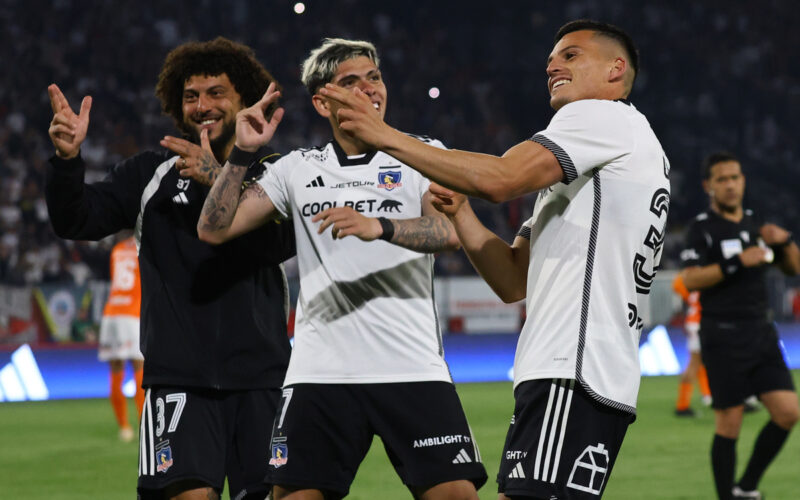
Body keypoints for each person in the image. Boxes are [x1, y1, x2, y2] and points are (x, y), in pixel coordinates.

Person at [318, 19, 668, 500]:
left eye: (570, 55)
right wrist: (461, 213)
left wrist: (385, 136)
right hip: (574, 366)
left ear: (615, 70)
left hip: (574, 364)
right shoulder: (595, 165)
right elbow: (512, 281)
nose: (552, 65)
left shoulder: (602, 117)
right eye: (551, 58)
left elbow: (502, 178)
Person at [197, 38, 487, 499]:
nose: (368, 89)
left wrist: (380, 226)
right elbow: (214, 228)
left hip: (411, 365)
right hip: (321, 371)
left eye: (374, 77)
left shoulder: (422, 152)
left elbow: (448, 231)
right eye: (350, 82)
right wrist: (242, 153)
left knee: (456, 495)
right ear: (322, 101)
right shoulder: (296, 168)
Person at [45, 37, 295, 500]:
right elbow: (76, 218)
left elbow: (278, 244)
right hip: (178, 381)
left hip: (262, 379)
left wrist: (221, 175)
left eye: (216, 93)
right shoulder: (149, 175)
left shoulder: (275, 172)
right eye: (190, 96)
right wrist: (66, 161)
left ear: (243, 98)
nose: (202, 106)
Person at [680, 151, 800, 500]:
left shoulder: (755, 223)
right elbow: (690, 279)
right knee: (730, 422)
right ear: (709, 186)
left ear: (743, 180)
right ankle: (727, 496)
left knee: (788, 412)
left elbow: (793, 269)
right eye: (722, 179)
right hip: (723, 336)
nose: (730, 185)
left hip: (762, 333)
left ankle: (747, 487)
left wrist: (785, 242)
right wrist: (735, 262)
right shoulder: (701, 229)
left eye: (735, 177)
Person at [99, 230, 145, 442]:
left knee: (116, 369)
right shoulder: (141, 247)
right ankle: (144, 425)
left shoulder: (117, 250)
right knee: (140, 367)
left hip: (112, 312)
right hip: (132, 313)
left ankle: (124, 427)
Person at [672, 274, 712, 417]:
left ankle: (707, 395)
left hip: (694, 323)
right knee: (695, 364)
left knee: (699, 362)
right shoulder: (707, 281)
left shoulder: (694, 285)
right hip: (700, 324)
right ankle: (682, 406)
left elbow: (676, 284)